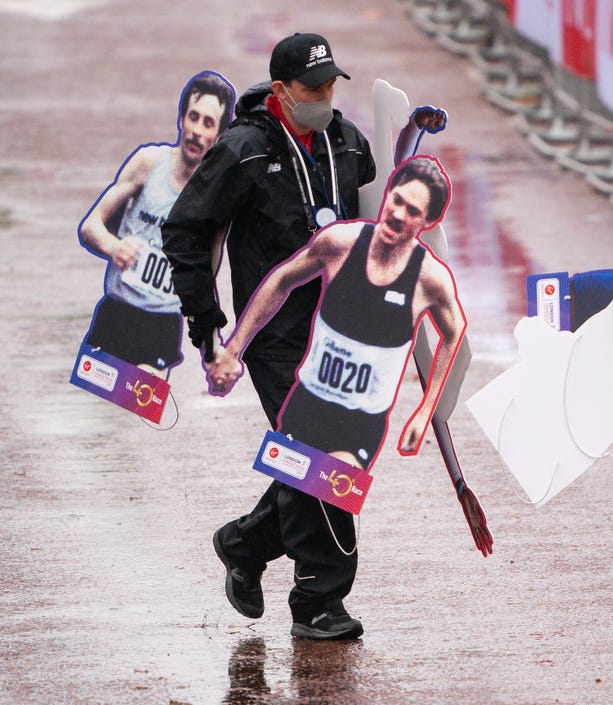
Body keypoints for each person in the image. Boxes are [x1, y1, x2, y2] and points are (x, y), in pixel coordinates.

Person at [161, 32, 445, 640]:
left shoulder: (347, 142)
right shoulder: (242, 151)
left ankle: (244, 543)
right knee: (322, 450)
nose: (324, 97)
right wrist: (207, 326)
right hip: (278, 332)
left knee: (311, 456)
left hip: (346, 331)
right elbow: (186, 230)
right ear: (283, 90)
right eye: (312, 88)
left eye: (331, 85)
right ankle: (319, 600)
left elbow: (378, 213)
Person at [206, 156, 465, 639]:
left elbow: (453, 333)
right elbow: (281, 279)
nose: (398, 214)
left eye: (413, 212)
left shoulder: (430, 277)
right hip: (310, 402)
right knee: (328, 493)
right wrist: (235, 348)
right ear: (387, 194)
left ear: (427, 223)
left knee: (309, 488)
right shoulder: (341, 242)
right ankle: (317, 604)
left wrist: (426, 408)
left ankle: (243, 543)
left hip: (363, 418)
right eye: (397, 200)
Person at [79, 71, 234, 375]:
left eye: (208, 123)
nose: (197, 132)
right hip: (115, 315)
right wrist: (114, 247)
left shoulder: (216, 199)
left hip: (161, 327)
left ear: (219, 135)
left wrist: (213, 352)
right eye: (194, 117)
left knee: (138, 413)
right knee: (97, 415)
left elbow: (203, 285)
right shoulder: (148, 163)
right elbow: (90, 226)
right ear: (181, 120)